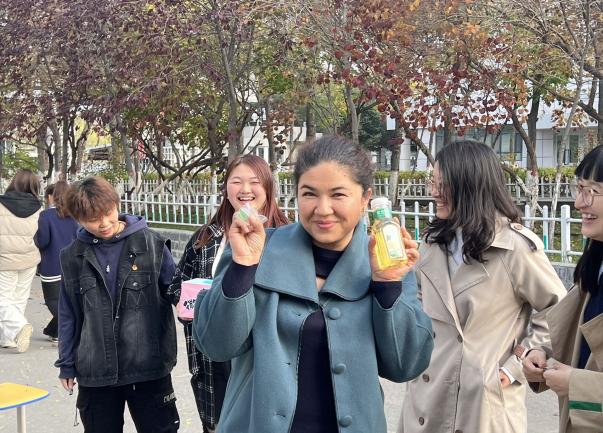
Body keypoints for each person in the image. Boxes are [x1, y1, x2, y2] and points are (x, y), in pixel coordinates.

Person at [194, 135, 434, 433]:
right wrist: (243, 267)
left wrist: (387, 286)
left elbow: (406, 365)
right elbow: (216, 345)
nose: (322, 209)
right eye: (309, 194)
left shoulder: (386, 262)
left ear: (365, 199)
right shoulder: (258, 248)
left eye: (338, 195)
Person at [398, 140, 566, 433]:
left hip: (483, 406)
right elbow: (418, 309)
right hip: (426, 396)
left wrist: (515, 366)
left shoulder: (513, 248)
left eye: (442, 184)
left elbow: (559, 311)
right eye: (432, 182)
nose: (433, 192)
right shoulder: (430, 243)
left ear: (469, 185)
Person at [168, 154, 289, 433]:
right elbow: (177, 287)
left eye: (254, 182)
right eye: (236, 182)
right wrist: (200, 304)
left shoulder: (286, 237)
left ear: (268, 187)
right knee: (217, 423)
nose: (245, 189)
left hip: (263, 358)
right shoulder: (206, 238)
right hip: (213, 359)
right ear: (226, 189)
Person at [54, 176, 179, 433]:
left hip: (148, 367)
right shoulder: (72, 256)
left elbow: (177, 291)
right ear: (78, 219)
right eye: (92, 219)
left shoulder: (151, 244)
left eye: (108, 213)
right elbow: (69, 315)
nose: (103, 224)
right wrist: (66, 363)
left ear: (117, 204)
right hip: (96, 371)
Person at [523, 144, 603, 433]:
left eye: (592, 191)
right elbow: (584, 347)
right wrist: (544, 355)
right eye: (579, 188)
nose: (579, 203)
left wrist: (576, 384)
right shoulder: (595, 266)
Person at [0, 169, 42, 353]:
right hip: (29, 258)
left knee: (3, 299)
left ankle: (18, 327)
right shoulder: (38, 208)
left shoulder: (1, 204)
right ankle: (9, 338)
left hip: (5, 259)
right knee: (19, 298)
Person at [34, 181, 79, 342]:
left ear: (52, 196)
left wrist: (35, 238)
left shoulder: (46, 216)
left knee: (53, 301)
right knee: (68, 301)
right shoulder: (75, 216)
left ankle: (69, 329)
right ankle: (54, 332)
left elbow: (43, 241)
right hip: (73, 265)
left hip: (52, 264)